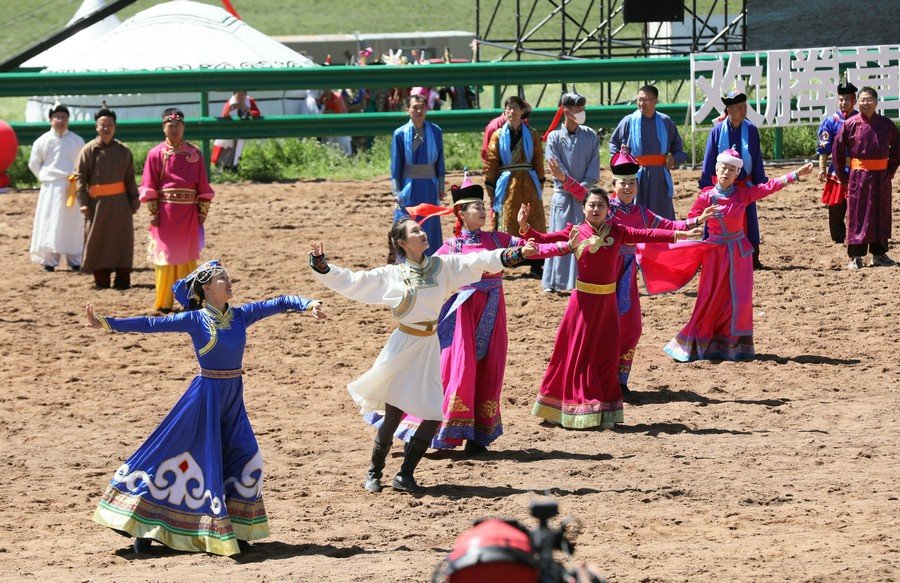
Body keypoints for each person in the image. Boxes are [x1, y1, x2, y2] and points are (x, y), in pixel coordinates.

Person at [87, 260, 325, 556]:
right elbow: (150, 324)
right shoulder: (195, 319)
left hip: (232, 397)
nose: (229, 282)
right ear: (207, 288)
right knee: (176, 456)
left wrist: (308, 304)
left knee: (245, 456)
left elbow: (279, 302)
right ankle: (143, 525)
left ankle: (236, 530)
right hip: (204, 398)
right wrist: (106, 322)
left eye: (228, 277)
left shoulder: (241, 315)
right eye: (222, 278)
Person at [307, 212, 537, 493]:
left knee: (433, 414)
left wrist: (515, 254)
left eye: (421, 229)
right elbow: (354, 280)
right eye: (415, 231)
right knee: (394, 414)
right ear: (402, 243)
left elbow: (478, 260)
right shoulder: (391, 275)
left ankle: (405, 474)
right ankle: (374, 472)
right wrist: (322, 264)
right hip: (404, 347)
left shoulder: (442, 267)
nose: (423, 233)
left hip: (429, 346)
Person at [518, 191, 699, 429]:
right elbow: (542, 239)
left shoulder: (618, 231)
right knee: (576, 352)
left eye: (601, 205)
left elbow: (648, 234)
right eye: (592, 205)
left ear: (607, 209)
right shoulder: (575, 231)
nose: (596, 209)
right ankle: (562, 405)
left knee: (606, 355)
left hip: (607, 304)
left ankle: (603, 409)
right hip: (582, 305)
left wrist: (679, 234)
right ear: (583, 209)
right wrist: (524, 226)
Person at [373, 177, 526, 454]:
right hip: (462, 314)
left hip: (494, 310)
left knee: (490, 368)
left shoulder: (497, 238)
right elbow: (425, 269)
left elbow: (530, 249)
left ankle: (478, 436)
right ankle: (439, 433)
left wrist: (526, 229)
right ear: (461, 214)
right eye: (476, 207)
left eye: (484, 206)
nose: (483, 211)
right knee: (457, 370)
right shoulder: (451, 247)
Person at [548, 151, 717, 395]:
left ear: (637, 185)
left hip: (628, 275)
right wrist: (564, 178)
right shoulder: (607, 209)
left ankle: (620, 380)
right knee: (601, 327)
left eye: (631, 183)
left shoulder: (642, 213)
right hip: (603, 274)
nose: (627, 188)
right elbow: (583, 194)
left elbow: (668, 225)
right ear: (614, 185)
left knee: (631, 327)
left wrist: (695, 221)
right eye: (622, 183)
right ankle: (595, 379)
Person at [639, 150, 814, 362]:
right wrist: (691, 231)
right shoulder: (706, 197)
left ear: (737, 173)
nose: (727, 172)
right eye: (724, 167)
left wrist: (796, 174)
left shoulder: (742, 194)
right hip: (715, 255)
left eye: (732, 169)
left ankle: (734, 347)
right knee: (711, 299)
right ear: (716, 168)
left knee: (739, 301)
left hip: (739, 254)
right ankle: (699, 342)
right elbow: (690, 221)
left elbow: (768, 187)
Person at [140, 108, 215, 312]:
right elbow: (149, 185)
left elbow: (203, 185)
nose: (174, 129)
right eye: (170, 125)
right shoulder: (155, 154)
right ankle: (164, 303)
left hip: (188, 214)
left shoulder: (195, 153)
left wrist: (202, 212)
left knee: (187, 258)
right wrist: (153, 213)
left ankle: (191, 300)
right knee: (164, 257)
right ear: (163, 127)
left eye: (178, 125)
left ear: (184, 127)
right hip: (164, 213)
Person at [833, 87, 900, 269]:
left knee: (881, 213)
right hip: (859, 177)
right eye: (862, 100)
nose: (866, 103)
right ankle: (856, 256)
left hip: (882, 178)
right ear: (858, 102)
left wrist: (890, 171)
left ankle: (879, 254)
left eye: (869, 99)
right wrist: (844, 177)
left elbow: (897, 148)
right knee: (858, 215)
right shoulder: (850, 124)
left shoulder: (887, 124)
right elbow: (837, 151)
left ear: (876, 102)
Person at [699, 90, 767, 269]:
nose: (744, 111)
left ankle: (751, 259)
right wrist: (706, 183)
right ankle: (712, 256)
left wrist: (760, 182)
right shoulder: (717, 130)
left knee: (749, 220)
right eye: (740, 108)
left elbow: (756, 157)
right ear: (729, 110)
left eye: (745, 107)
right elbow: (709, 158)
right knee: (716, 219)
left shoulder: (751, 129)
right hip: (721, 186)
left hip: (744, 185)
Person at [542, 87, 600, 292]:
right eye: (577, 109)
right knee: (561, 237)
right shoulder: (554, 137)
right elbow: (556, 169)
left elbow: (593, 169)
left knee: (584, 238)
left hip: (584, 197)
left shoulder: (591, 135)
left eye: (583, 108)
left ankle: (582, 279)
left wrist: (582, 189)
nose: (582, 112)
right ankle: (555, 282)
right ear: (566, 111)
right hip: (564, 197)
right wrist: (573, 186)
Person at [76, 107, 140, 290]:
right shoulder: (88, 150)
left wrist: (134, 200)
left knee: (122, 241)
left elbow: (130, 179)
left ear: (115, 127)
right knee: (98, 241)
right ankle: (101, 280)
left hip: (121, 204)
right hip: (97, 205)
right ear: (96, 127)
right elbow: (80, 178)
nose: (106, 128)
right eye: (102, 125)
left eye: (110, 125)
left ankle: (122, 280)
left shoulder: (123, 151)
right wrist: (83, 203)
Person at [484, 96, 546, 277]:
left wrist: (540, 181)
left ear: (522, 111)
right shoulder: (497, 135)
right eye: (509, 108)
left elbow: (538, 160)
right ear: (505, 112)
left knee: (533, 220)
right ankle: (504, 260)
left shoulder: (532, 134)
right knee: (507, 221)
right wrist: (490, 186)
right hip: (507, 185)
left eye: (515, 108)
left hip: (529, 183)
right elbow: (491, 162)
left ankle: (536, 263)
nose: (512, 111)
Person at [608, 85, 688, 220]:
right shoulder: (628, 121)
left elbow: (679, 150)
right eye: (638, 99)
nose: (641, 103)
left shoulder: (665, 121)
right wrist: (621, 163)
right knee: (636, 214)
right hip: (635, 176)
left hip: (660, 177)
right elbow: (613, 143)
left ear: (655, 100)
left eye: (645, 100)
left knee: (662, 215)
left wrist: (673, 159)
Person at [28, 102, 85, 272]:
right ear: (50, 120)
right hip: (51, 187)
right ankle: (49, 260)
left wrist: (77, 180)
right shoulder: (42, 141)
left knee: (72, 222)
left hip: (71, 186)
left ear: (68, 120)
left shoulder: (77, 141)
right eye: (57, 117)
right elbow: (34, 164)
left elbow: (82, 163)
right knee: (50, 221)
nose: (60, 121)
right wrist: (44, 178)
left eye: (64, 117)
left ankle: (75, 259)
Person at [390, 94, 446, 256]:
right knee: (407, 222)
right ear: (407, 110)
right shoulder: (400, 134)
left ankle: (431, 259)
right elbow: (396, 166)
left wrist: (441, 187)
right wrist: (397, 191)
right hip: (409, 187)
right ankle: (406, 258)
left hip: (429, 186)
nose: (419, 111)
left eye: (422, 107)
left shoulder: (435, 131)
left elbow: (440, 162)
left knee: (430, 223)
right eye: (415, 107)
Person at [815, 78, 858, 244]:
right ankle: (838, 237)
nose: (844, 102)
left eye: (847, 99)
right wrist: (821, 168)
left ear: (854, 100)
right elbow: (824, 147)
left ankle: (856, 235)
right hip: (837, 169)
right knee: (835, 205)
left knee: (857, 204)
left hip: (858, 168)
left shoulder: (861, 119)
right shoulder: (830, 121)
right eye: (841, 99)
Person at [211, 90, 261, 171]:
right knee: (225, 149)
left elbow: (257, 113)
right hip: (229, 129)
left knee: (237, 150)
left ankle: (234, 167)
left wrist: (247, 109)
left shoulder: (249, 101)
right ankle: (221, 167)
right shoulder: (231, 102)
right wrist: (232, 108)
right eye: (239, 95)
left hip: (243, 130)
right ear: (234, 95)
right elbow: (224, 115)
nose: (241, 97)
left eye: (243, 94)